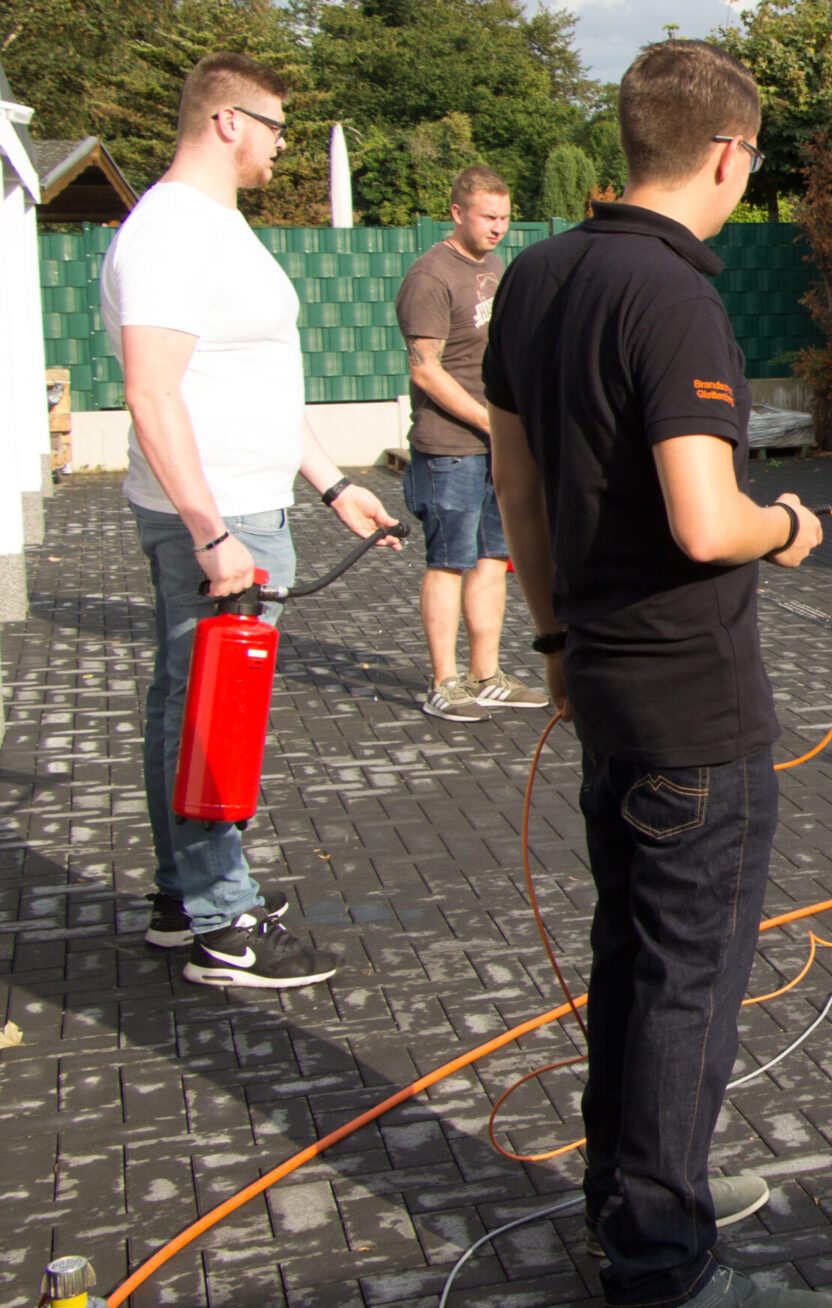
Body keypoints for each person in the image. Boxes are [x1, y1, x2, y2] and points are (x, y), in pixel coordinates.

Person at [483, 40, 831, 1308]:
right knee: (687, 983)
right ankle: (659, 1255)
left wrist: (557, 645)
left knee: (628, 958)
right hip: (694, 706)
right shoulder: (676, 297)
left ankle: (623, 1200)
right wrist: (786, 525)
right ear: (729, 154)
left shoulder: (532, 277)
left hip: (602, 688)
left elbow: (517, 493)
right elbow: (702, 519)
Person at [103, 52, 401, 987]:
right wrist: (208, 530)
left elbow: (250, 384)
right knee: (213, 717)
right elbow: (151, 395)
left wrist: (329, 483)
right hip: (219, 518)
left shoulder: (216, 227)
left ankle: (182, 896)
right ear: (227, 121)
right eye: (274, 127)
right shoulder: (169, 233)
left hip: (246, 502)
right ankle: (221, 922)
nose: (282, 145)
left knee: (184, 710)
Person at [397, 166, 549, 721]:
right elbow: (425, 371)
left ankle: (487, 675)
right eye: (488, 217)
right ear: (457, 212)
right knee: (448, 560)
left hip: (494, 446)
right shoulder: (430, 277)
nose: (498, 228)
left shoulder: (495, 267)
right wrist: (492, 422)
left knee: (493, 557)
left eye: (505, 218)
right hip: (449, 446)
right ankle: (444, 681)